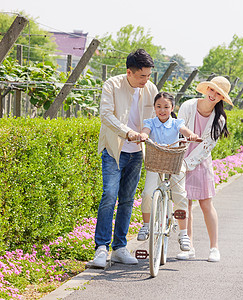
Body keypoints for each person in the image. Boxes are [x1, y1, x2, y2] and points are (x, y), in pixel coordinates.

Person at [88, 49, 158, 268]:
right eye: (142, 76)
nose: (146, 80)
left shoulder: (151, 88)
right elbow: (106, 115)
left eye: (148, 76)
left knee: (127, 199)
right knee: (109, 195)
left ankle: (119, 248)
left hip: (137, 152)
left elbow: (157, 116)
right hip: (114, 149)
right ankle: (101, 249)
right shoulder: (112, 85)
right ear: (129, 72)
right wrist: (127, 132)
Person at [176, 76, 232, 262]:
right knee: (186, 204)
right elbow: (178, 130)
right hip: (180, 156)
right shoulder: (188, 105)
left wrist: (188, 164)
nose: (213, 95)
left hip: (200, 161)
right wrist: (180, 162)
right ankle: (188, 246)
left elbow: (206, 146)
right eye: (212, 90)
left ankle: (214, 247)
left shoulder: (219, 118)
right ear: (206, 89)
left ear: (222, 98)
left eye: (218, 94)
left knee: (206, 204)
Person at [137, 92, 199, 253]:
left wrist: (190, 135)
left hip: (174, 161)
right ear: (154, 108)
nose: (162, 110)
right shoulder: (150, 122)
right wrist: (143, 136)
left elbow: (184, 130)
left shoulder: (176, 122)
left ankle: (183, 233)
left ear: (172, 108)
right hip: (156, 162)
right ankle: (146, 225)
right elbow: (145, 131)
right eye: (158, 107)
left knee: (180, 195)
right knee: (147, 193)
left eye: (166, 107)